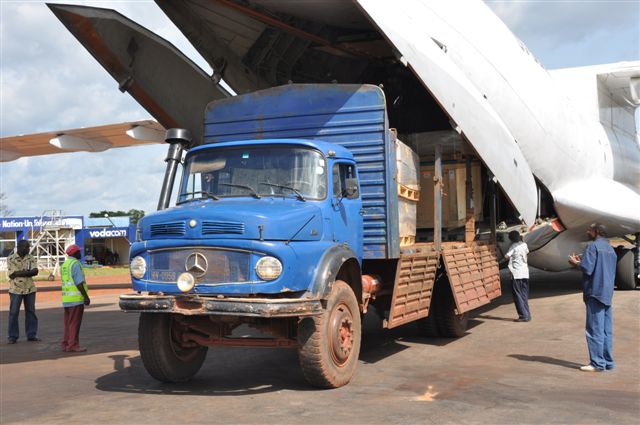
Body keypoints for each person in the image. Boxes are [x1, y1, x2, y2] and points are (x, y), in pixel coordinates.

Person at [568, 223, 617, 372]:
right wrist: (584, 260)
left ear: (596, 232)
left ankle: (597, 364)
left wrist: (576, 263)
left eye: (590, 230)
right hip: (607, 293)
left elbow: (587, 268)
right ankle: (608, 362)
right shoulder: (611, 249)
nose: (587, 231)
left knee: (594, 329)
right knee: (606, 330)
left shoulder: (593, 247)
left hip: (595, 292)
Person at [6, 240, 40, 344]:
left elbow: (35, 271)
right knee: (13, 313)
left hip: (30, 289)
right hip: (16, 289)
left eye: (28, 247)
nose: (28, 249)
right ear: (20, 247)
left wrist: (20, 273)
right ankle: (13, 336)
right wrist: (28, 272)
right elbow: (12, 274)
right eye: (27, 247)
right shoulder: (11, 258)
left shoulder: (31, 257)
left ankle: (31, 335)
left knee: (31, 312)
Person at [60, 244, 91, 352]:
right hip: (76, 299)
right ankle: (73, 345)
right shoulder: (75, 264)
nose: (80, 253)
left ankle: (66, 343)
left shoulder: (65, 264)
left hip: (66, 299)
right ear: (74, 253)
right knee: (74, 323)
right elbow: (79, 283)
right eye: (79, 252)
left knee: (68, 323)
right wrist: (85, 297)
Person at [505, 230, 531, 322]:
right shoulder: (524, 245)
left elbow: (506, 256)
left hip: (516, 274)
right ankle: (527, 315)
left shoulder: (513, 246)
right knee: (524, 295)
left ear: (511, 239)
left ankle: (523, 316)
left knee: (517, 295)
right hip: (525, 273)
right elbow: (527, 252)